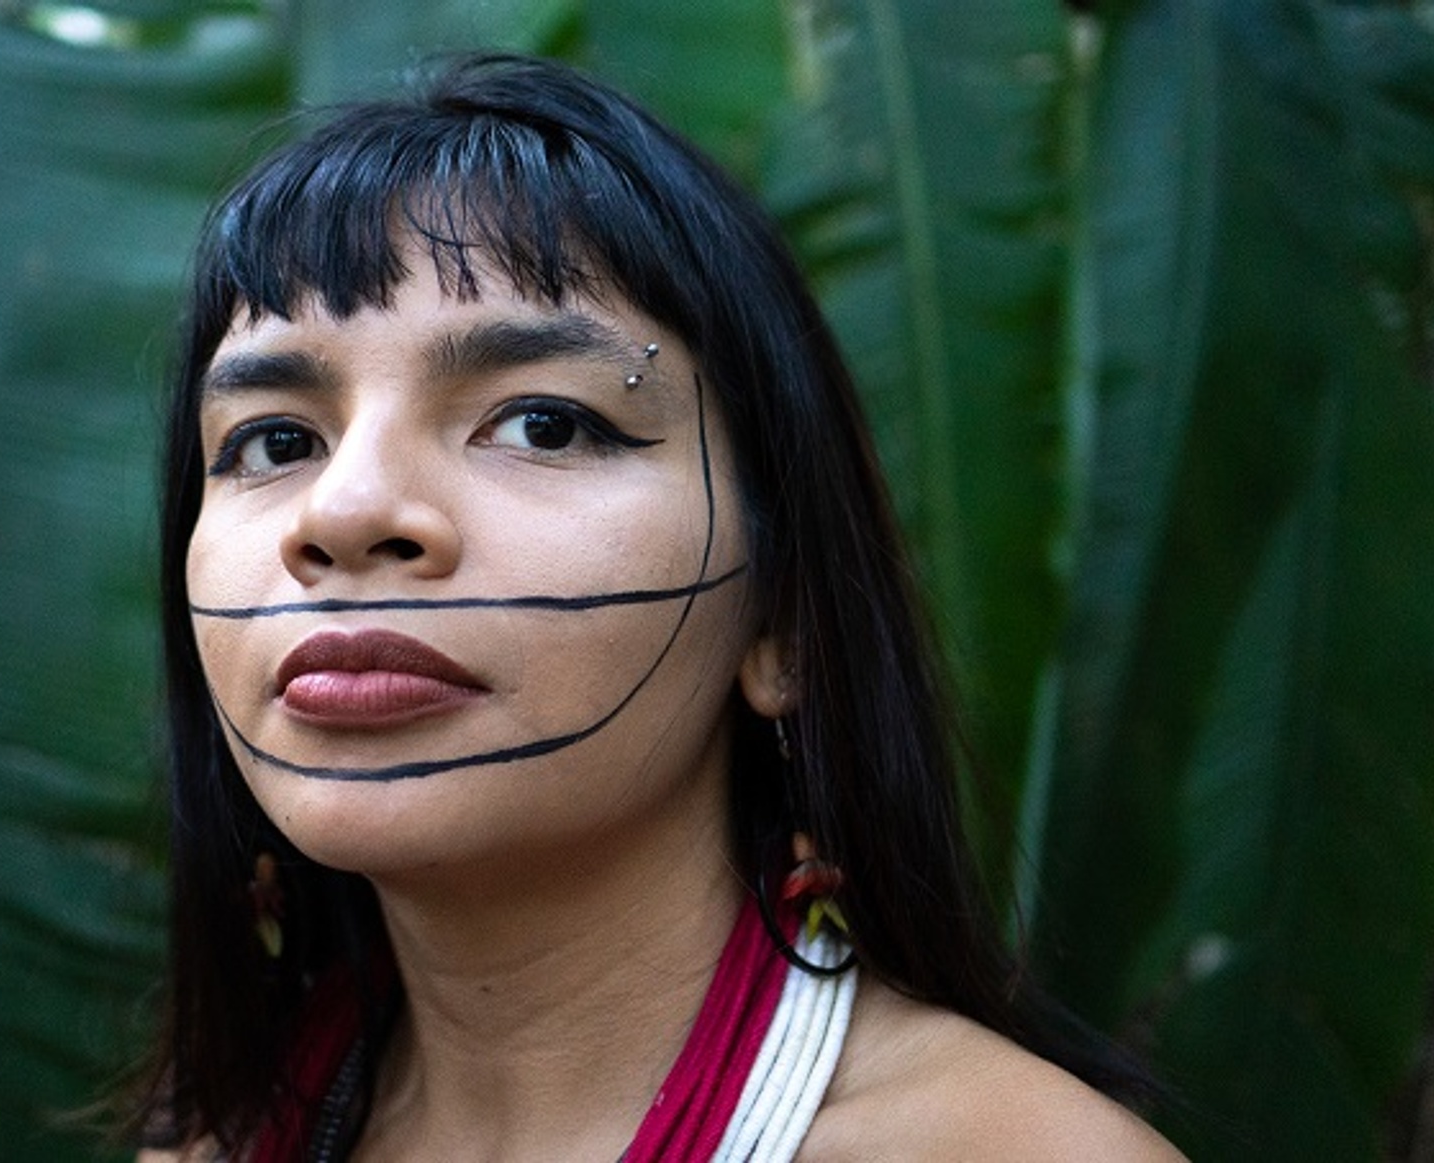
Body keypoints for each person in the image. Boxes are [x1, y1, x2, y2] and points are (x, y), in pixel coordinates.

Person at [135, 54, 1183, 1161]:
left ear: (781, 616)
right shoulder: (223, 1139)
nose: (341, 510)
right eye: (275, 441)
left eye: (542, 422)